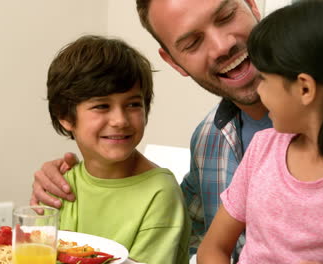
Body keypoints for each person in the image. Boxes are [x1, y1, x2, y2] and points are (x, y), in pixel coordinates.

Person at [31, 0, 270, 260]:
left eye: (226, 16)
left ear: (252, 5)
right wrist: (64, 178)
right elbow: (188, 240)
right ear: (174, 62)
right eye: (192, 43)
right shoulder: (209, 140)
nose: (222, 46)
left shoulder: (320, 114)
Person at [197, 0, 323, 263]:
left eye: (264, 80)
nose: (258, 91)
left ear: (304, 88)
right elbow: (212, 249)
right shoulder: (262, 149)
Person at [45, 34, 190, 264]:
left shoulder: (160, 193)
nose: (120, 120)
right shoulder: (56, 187)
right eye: (102, 106)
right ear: (65, 116)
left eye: (133, 104)